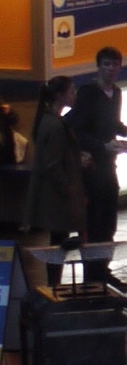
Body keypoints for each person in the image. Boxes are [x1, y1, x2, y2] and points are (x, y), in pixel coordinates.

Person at [66, 49, 127, 267]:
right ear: (98, 67)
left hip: (107, 161)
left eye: (115, 65)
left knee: (108, 217)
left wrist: (126, 131)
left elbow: (112, 122)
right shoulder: (89, 93)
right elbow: (77, 129)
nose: (111, 69)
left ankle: (102, 267)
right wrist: (101, 145)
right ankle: (95, 270)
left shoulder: (116, 93)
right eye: (107, 65)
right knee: (96, 218)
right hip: (93, 164)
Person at [23, 76, 85, 266]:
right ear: (60, 95)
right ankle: (54, 288)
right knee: (58, 245)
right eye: (71, 92)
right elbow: (54, 165)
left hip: (50, 196)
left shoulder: (47, 120)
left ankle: (53, 287)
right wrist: (70, 190)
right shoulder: (56, 125)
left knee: (57, 244)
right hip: (56, 199)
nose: (74, 95)